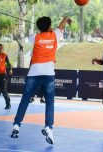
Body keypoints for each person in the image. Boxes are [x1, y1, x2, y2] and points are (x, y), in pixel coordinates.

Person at [10, 16, 70, 145]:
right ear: (49, 26)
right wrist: (66, 19)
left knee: (25, 100)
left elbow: (31, 35)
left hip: (34, 74)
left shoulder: (34, 38)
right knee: (49, 102)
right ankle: (48, 127)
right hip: (48, 75)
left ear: (39, 27)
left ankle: (16, 125)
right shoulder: (54, 35)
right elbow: (60, 26)